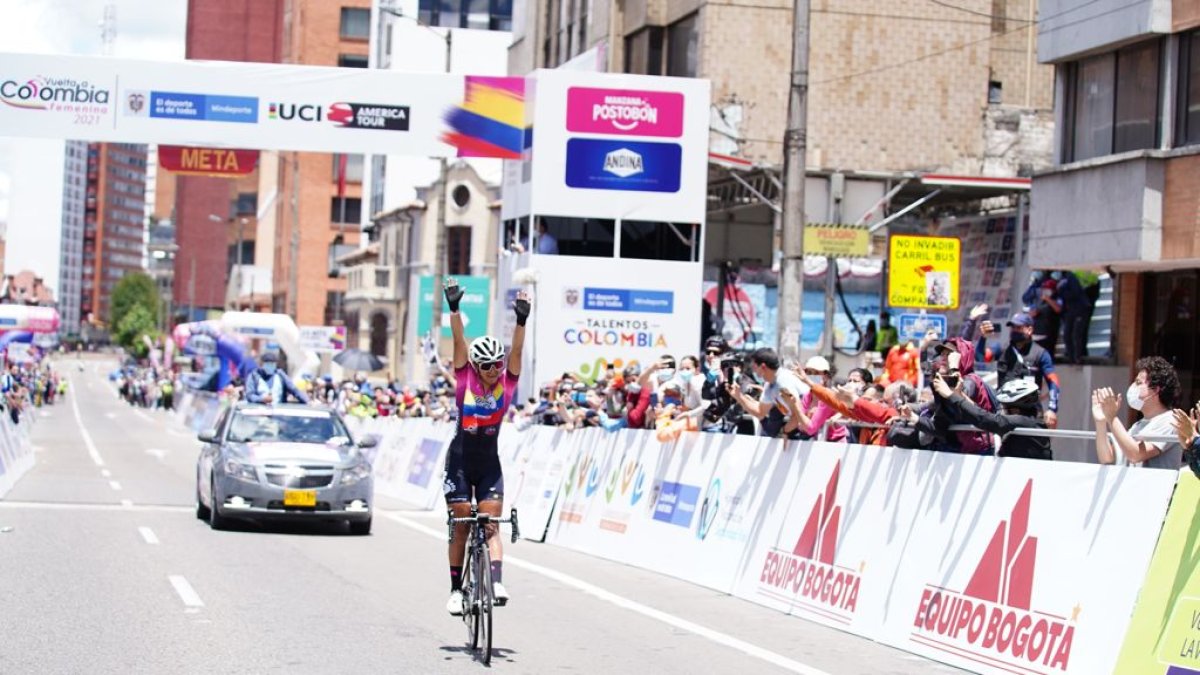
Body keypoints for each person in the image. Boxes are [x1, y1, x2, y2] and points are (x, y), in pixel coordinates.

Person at [443, 278, 530, 615]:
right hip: (461, 463)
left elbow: (517, 352)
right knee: (462, 523)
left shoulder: (507, 386)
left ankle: (496, 581)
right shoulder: (465, 380)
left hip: (489, 463)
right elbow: (459, 341)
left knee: (491, 525)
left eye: (498, 364)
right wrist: (454, 309)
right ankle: (454, 588)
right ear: (477, 367)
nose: (495, 370)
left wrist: (521, 321)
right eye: (488, 366)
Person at [972, 310, 1061, 429]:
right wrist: (983, 338)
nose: (1014, 331)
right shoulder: (1002, 349)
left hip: (1031, 412)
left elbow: (1053, 381)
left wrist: (1052, 409)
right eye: (1012, 327)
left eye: (1018, 328)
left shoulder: (1040, 353)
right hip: (1005, 411)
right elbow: (981, 357)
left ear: (1029, 330)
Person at [1092, 356, 1184, 469]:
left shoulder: (1171, 421)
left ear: (1155, 390)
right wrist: (1101, 422)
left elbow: (1135, 455)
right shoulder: (1138, 425)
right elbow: (1107, 457)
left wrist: (1112, 418)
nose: (1133, 387)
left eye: (1138, 382)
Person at [933, 375, 1052, 460]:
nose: (1002, 410)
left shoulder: (1022, 421)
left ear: (1015, 409)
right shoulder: (1031, 421)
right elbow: (984, 415)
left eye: (1005, 407)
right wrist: (961, 397)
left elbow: (985, 419)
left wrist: (951, 395)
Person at [726, 348, 807, 438]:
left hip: (810, 427)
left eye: (754, 367)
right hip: (798, 424)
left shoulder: (784, 381)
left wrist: (784, 431)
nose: (753, 371)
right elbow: (760, 412)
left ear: (763, 367)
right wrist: (739, 396)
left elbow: (801, 412)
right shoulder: (769, 385)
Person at [243, 352, 309, 405]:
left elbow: (294, 389)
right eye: (268, 363)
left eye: (272, 364)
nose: (270, 366)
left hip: (278, 413)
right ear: (261, 364)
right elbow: (249, 395)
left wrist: (307, 401)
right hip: (258, 412)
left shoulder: (280, 375)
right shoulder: (254, 376)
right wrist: (262, 399)